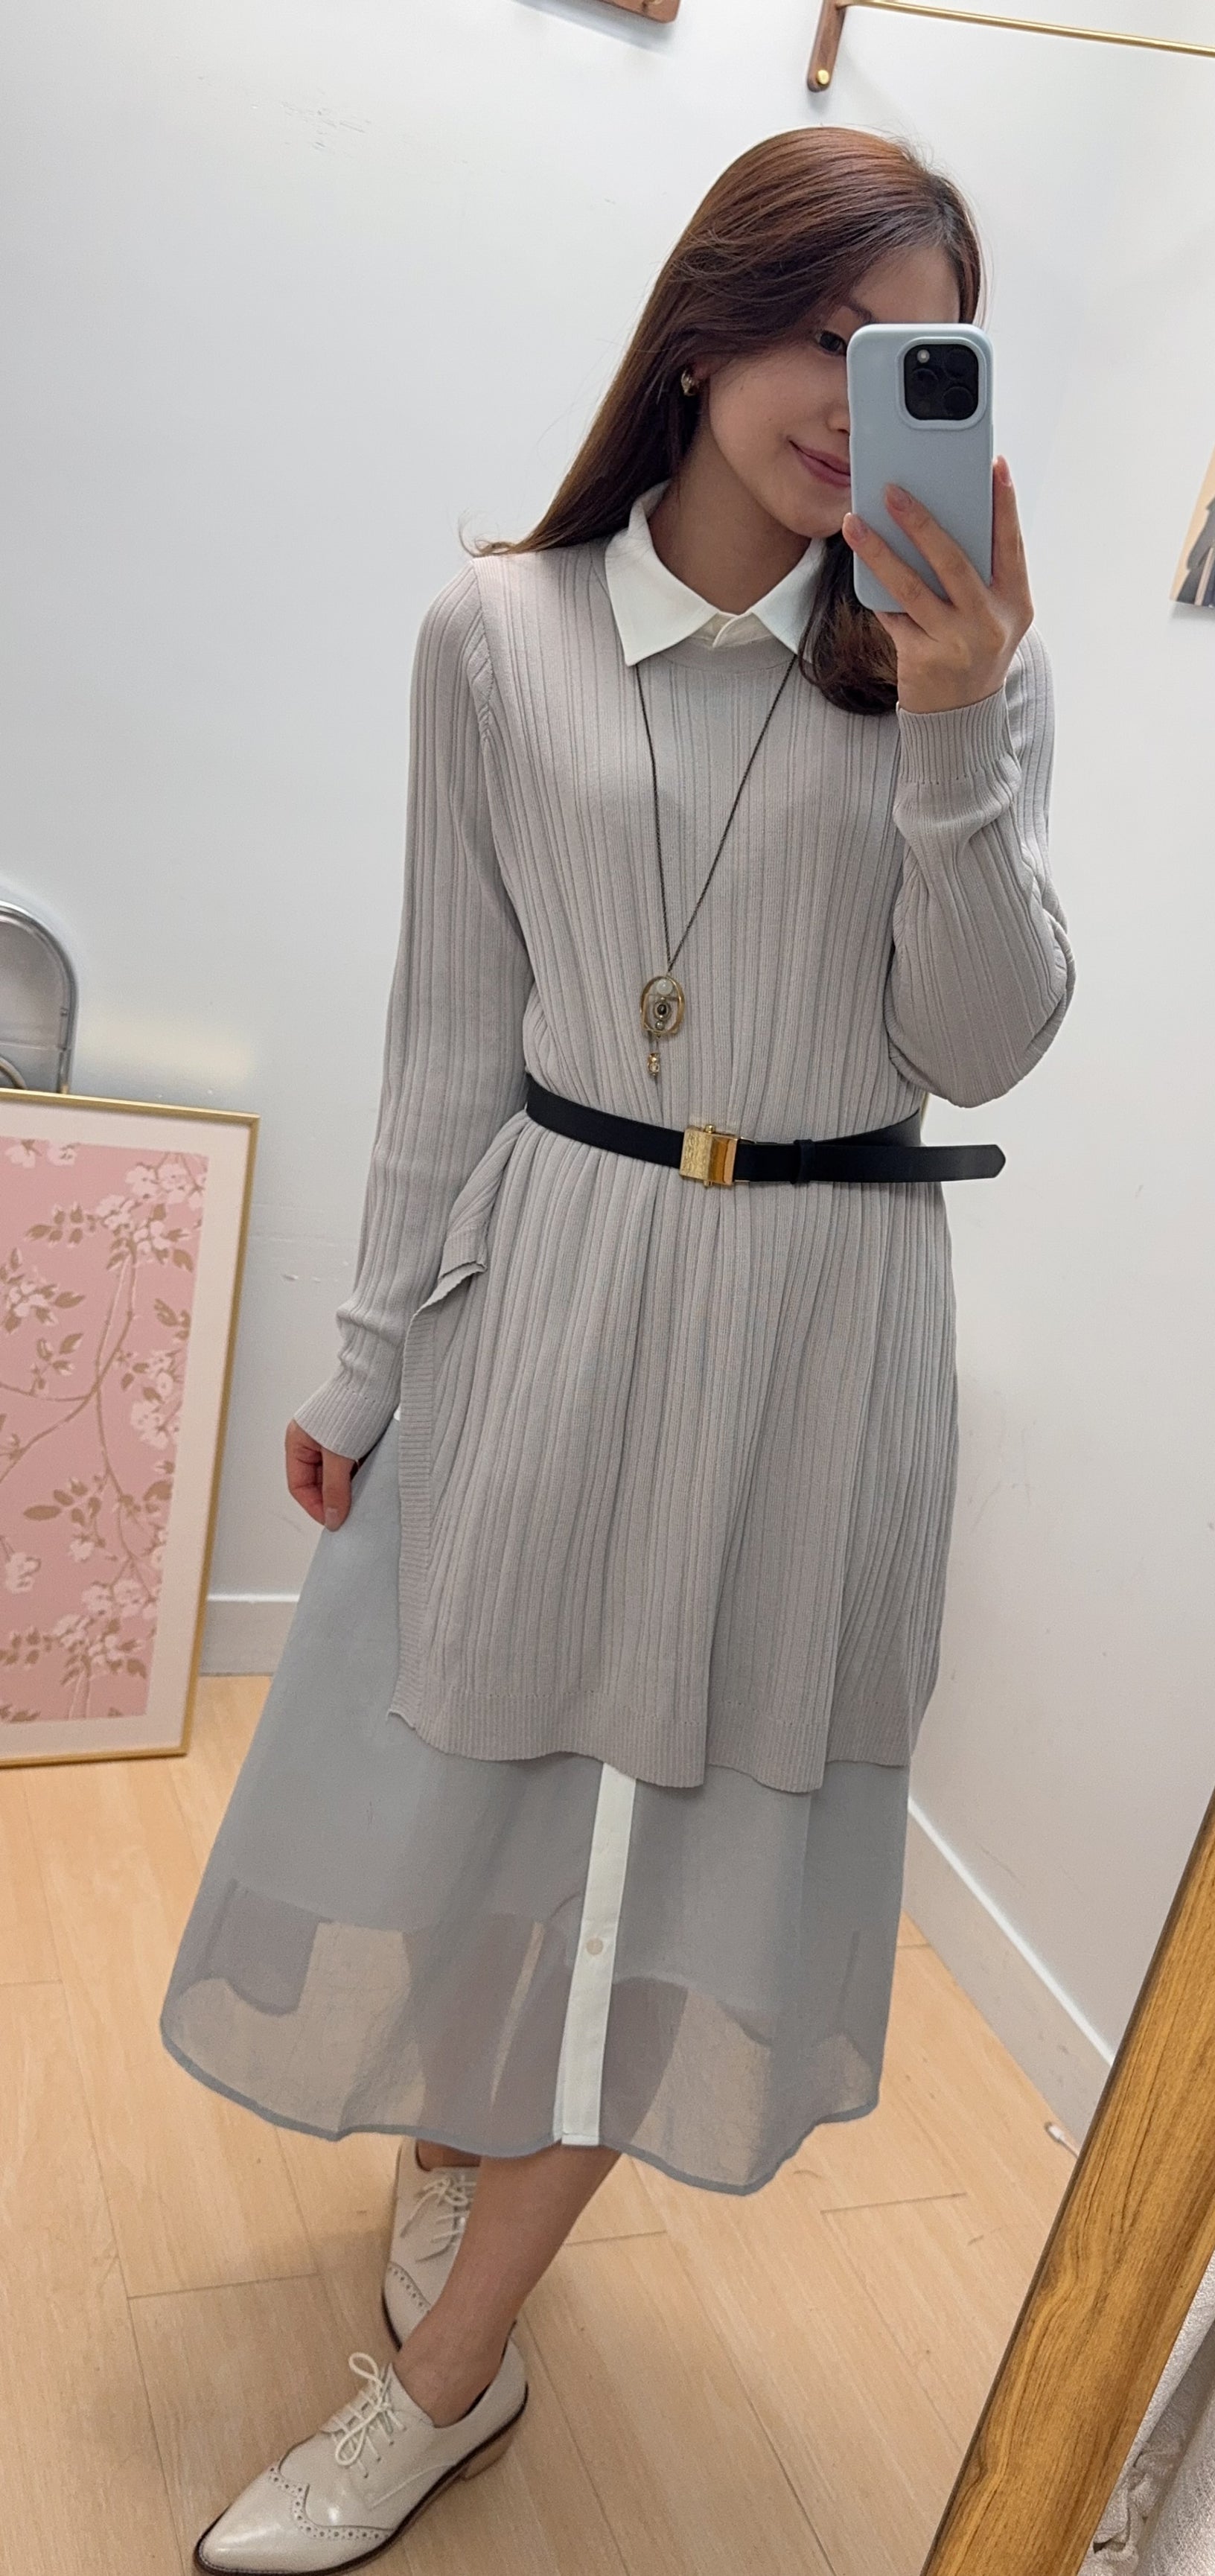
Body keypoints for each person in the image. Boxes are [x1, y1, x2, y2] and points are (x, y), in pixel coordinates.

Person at [161, 124, 1073, 2571]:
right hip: (550, 1272)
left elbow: (982, 1040)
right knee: (486, 1783)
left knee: (682, 1831)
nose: (856, 400)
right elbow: (449, 1029)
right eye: (823, 336)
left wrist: (961, 730)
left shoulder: (963, 659)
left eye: (918, 361)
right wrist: (363, 1357)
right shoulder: (497, 632)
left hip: (818, 1320)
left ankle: (439, 2382)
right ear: (701, 329)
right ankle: (460, 2143)